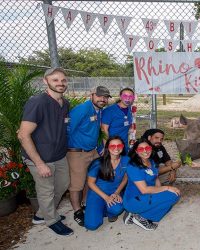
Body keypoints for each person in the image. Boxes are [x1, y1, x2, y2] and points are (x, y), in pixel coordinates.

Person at [17, 67, 73, 236]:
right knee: (46, 190)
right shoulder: (38, 102)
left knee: (63, 184)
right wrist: (39, 164)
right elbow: (23, 135)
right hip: (40, 157)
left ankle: (42, 214)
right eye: (55, 80)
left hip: (58, 155)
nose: (60, 83)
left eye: (63, 80)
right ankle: (51, 220)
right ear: (45, 81)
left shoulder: (65, 103)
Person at [67, 86, 111, 226]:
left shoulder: (98, 111)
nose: (102, 99)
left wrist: (100, 148)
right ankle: (77, 211)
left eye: (105, 97)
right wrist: (69, 148)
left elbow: (95, 132)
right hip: (77, 152)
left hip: (92, 151)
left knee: (89, 179)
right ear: (91, 95)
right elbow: (67, 129)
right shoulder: (82, 109)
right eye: (99, 96)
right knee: (76, 185)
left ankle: (85, 203)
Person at [123, 138, 180, 231]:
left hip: (147, 196)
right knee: (172, 195)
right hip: (134, 200)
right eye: (141, 149)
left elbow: (156, 178)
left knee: (170, 201)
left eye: (147, 148)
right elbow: (144, 190)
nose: (145, 151)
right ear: (136, 151)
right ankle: (139, 217)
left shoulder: (151, 162)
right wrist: (167, 188)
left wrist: (162, 193)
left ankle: (135, 214)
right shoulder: (133, 166)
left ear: (151, 148)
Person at [84, 136, 128, 230]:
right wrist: (106, 198)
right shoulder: (98, 163)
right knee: (92, 226)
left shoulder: (126, 160)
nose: (116, 148)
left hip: (114, 192)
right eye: (113, 146)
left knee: (117, 208)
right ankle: (99, 208)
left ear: (123, 146)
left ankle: (109, 212)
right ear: (107, 147)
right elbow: (90, 183)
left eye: (119, 145)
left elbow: (125, 178)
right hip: (98, 193)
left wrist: (117, 192)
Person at [101, 87, 135, 152]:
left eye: (130, 96)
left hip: (123, 145)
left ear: (133, 98)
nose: (127, 98)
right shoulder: (109, 111)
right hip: (112, 146)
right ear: (120, 97)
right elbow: (104, 130)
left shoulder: (129, 110)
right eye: (125, 96)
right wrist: (107, 148)